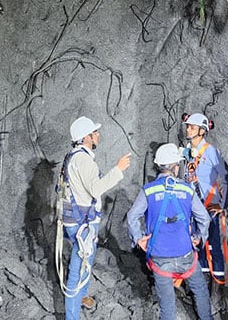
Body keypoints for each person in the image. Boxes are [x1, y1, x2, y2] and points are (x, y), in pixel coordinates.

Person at [56, 116, 131, 320]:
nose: (98, 134)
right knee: (78, 266)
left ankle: (81, 296)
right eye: (94, 132)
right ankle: (72, 316)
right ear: (86, 137)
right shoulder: (83, 159)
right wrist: (118, 169)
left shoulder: (73, 156)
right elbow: (96, 188)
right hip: (82, 222)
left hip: (79, 219)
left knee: (86, 259)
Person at [127, 143, 213, 320]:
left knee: (167, 305)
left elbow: (132, 216)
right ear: (175, 166)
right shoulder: (187, 189)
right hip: (185, 255)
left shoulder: (148, 190)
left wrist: (138, 239)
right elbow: (204, 218)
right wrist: (199, 238)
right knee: (200, 290)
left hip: (159, 258)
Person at [182, 113, 228, 286]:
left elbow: (227, 178)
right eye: (187, 126)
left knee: (214, 247)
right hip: (192, 207)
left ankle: (218, 288)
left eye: (192, 127)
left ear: (202, 131)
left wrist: (223, 206)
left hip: (209, 206)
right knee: (198, 247)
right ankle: (198, 286)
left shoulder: (211, 152)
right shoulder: (187, 153)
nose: (188, 129)